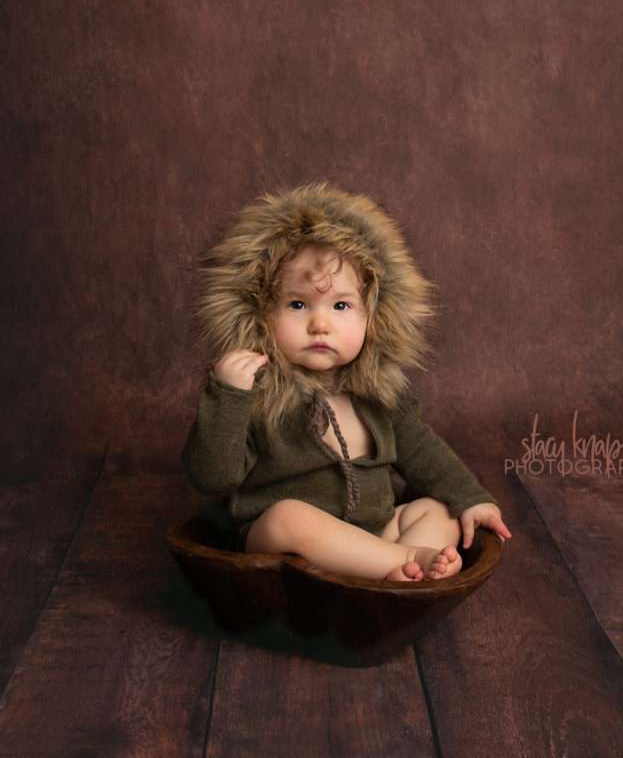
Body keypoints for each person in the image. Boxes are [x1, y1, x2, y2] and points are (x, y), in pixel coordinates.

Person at [182, 183, 512, 582]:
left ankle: (394, 568)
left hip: (373, 532)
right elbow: (212, 478)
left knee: (438, 509)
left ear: (374, 318)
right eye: (297, 304)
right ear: (260, 315)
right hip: (287, 543)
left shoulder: (378, 396)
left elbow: (424, 452)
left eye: (341, 305)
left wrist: (472, 498)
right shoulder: (256, 394)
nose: (320, 324)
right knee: (289, 517)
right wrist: (228, 395)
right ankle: (405, 564)